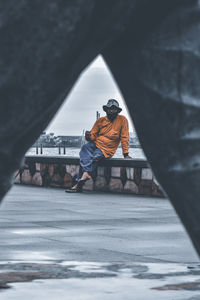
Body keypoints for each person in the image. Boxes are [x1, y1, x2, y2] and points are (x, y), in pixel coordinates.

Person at [66, 99, 132, 193]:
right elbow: (93, 135)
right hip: (95, 143)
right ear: (106, 110)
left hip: (107, 149)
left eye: (113, 109)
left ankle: (78, 183)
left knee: (95, 156)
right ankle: (86, 174)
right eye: (109, 109)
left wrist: (126, 154)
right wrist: (89, 136)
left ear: (117, 110)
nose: (111, 111)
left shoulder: (122, 120)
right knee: (85, 149)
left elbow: (125, 137)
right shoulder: (100, 120)